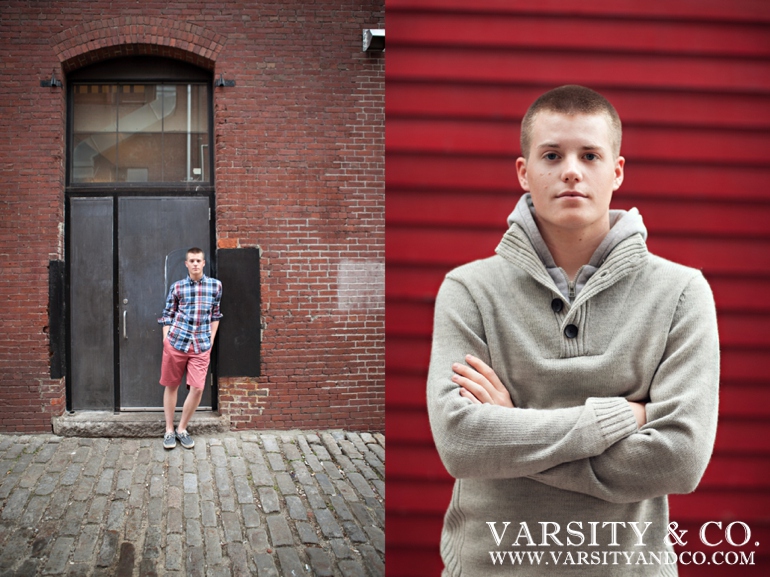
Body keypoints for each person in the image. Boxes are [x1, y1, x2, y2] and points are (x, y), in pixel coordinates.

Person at [426, 85, 719, 576]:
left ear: (617, 171)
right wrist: (618, 420)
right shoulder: (469, 290)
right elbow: (461, 443)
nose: (570, 170)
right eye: (551, 154)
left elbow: (679, 460)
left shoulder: (681, 293)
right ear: (524, 171)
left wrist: (511, 427)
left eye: (589, 155)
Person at [158, 247, 222, 450]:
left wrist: (210, 341)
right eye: (191, 261)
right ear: (186, 264)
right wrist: (166, 339)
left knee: (198, 388)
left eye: (198, 260)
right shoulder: (177, 287)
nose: (195, 264)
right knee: (171, 385)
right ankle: (169, 430)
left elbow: (215, 315)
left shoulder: (215, 286)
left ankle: (182, 428)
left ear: (204, 263)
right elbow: (167, 314)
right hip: (177, 342)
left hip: (201, 345)